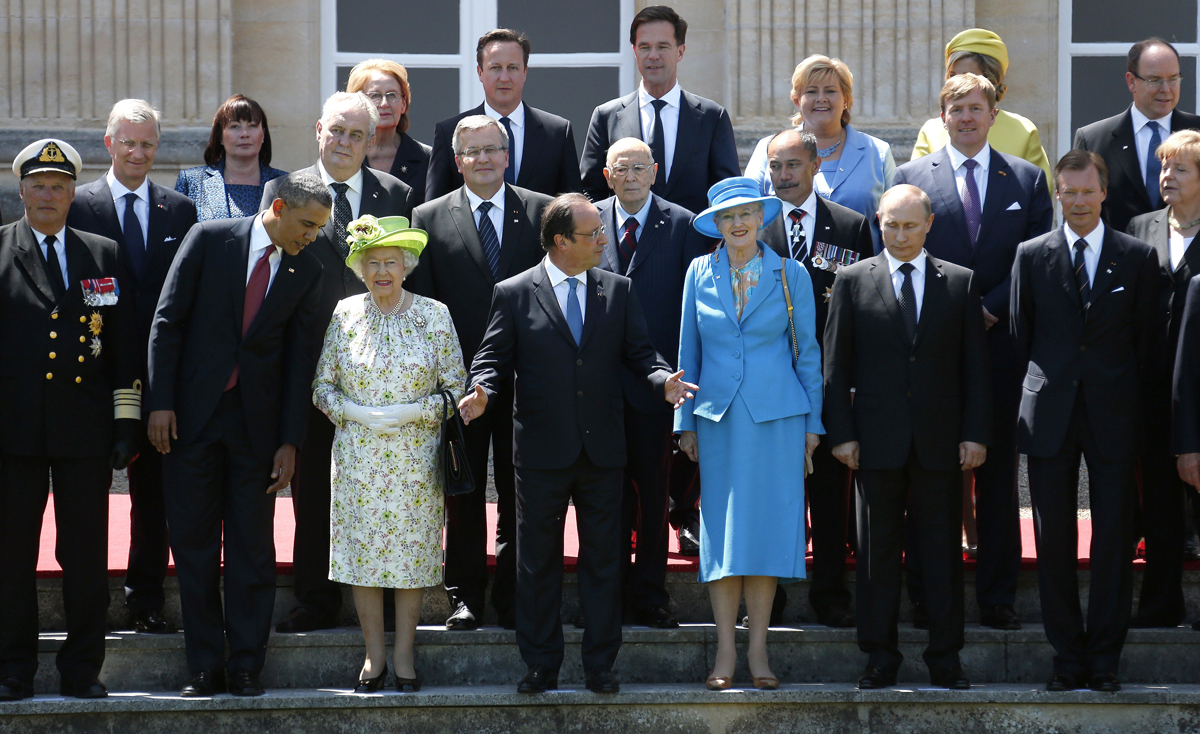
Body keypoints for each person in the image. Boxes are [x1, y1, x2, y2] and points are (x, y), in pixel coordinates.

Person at [458, 193, 695, 695]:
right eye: (593, 234)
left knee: (604, 561)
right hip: (541, 452)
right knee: (536, 563)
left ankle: (600, 665)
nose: (604, 240)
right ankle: (541, 663)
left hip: (603, 451)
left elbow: (642, 355)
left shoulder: (618, 289)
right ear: (561, 241)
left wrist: (662, 382)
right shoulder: (515, 291)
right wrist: (482, 393)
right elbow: (492, 358)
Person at [147, 172, 329, 698]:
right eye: (307, 225)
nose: (312, 236)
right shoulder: (209, 239)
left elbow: (301, 361)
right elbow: (168, 321)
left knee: (253, 548)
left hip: (259, 431)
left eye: (319, 228)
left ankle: (247, 663)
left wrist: (290, 441)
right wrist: (160, 403)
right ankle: (205, 666)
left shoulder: (307, 268)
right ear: (277, 209)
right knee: (195, 544)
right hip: (190, 421)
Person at [893, 73, 1053, 632]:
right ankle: (924, 595)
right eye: (956, 108)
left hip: (1003, 347)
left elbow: (1035, 257)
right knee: (927, 472)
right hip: (932, 349)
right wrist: (959, 308)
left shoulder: (1029, 179)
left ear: (993, 114)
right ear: (942, 116)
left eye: (976, 108)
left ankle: (997, 595)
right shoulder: (911, 177)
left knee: (999, 477)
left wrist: (992, 306)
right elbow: (901, 260)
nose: (966, 117)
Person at [824, 184, 990, 691]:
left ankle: (946, 658)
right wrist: (842, 435)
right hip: (874, 442)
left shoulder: (959, 283)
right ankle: (879, 657)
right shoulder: (852, 280)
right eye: (891, 225)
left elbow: (975, 370)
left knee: (941, 554)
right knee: (875, 556)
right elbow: (835, 366)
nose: (899, 234)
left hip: (942, 442)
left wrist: (975, 434)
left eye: (910, 225)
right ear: (878, 222)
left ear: (929, 225)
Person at [261, 91, 415, 634]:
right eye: (337, 131)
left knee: (388, 486)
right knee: (314, 491)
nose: (346, 143)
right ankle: (316, 599)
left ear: (371, 140)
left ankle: (392, 595)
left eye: (358, 134)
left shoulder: (396, 194)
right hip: (307, 367)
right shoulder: (283, 191)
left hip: (381, 372)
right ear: (318, 130)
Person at [1011, 151, 1159, 693]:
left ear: (1103, 194)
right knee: (1053, 541)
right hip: (1049, 412)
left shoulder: (1138, 257)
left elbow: (1146, 343)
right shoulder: (1031, 255)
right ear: (1058, 196)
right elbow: (1020, 337)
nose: (1076, 201)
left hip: (1114, 413)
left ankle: (1104, 658)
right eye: (1066, 192)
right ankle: (1066, 656)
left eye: (1085, 191)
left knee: (1114, 539)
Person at [0, 139, 141, 702]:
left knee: (84, 555)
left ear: (71, 194)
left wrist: (126, 423)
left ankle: (83, 668)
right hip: (13, 433)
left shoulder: (102, 254)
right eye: (39, 185)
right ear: (22, 190)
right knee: (12, 553)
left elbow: (125, 346)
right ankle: (14, 669)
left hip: (85, 433)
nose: (48, 195)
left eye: (59, 186)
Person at [675, 177, 823, 690]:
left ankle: (758, 649)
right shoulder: (699, 271)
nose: (737, 224)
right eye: (727, 216)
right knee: (722, 536)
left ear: (762, 218)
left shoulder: (792, 274)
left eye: (747, 214)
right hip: (717, 419)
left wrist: (813, 424)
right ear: (716, 224)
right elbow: (686, 354)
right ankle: (724, 651)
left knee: (764, 533)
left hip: (778, 420)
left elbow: (808, 354)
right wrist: (683, 422)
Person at [407, 116, 551, 631]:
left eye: (493, 150)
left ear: (507, 155)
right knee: (462, 495)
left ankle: (513, 596)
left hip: (526, 382)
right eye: (472, 152)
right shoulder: (425, 217)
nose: (484, 159)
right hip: (458, 384)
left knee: (520, 493)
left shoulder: (540, 211)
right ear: (456, 159)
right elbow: (420, 306)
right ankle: (463, 597)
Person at [313, 214, 464, 693]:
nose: (382, 271)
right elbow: (321, 385)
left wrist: (410, 414)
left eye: (391, 262)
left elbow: (455, 389)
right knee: (364, 556)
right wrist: (353, 412)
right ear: (359, 266)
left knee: (410, 556)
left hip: (415, 459)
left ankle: (404, 656)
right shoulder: (345, 313)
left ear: (407, 266)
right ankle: (373, 656)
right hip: (358, 458)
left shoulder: (434, 314)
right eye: (373, 262)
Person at [66, 99, 199, 636]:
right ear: (109, 144)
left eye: (148, 144)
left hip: (159, 376)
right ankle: (87, 602)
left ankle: (145, 597)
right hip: (93, 377)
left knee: (155, 497)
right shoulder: (76, 204)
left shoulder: (179, 210)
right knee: (83, 497)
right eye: (129, 142)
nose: (138, 153)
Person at [759, 129, 873, 628]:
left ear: (815, 164)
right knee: (776, 497)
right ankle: (772, 600)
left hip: (831, 387)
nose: (783, 176)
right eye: (775, 166)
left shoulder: (850, 226)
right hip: (770, 388)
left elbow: (866, 308)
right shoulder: (754, 227)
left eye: (793, 166)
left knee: (830, 498)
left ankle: (830, 596)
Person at [594, 137, 710, 629]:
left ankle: (651, 595)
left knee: (655, 490)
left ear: (655, 171)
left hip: (658, 384)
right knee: (608, 498)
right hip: (598, 385)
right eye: (622, 167)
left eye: (640, 166)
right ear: (607, 175)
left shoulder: (683, 224)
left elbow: (693, 311)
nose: (632, 175)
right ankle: (610, 598)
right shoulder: (586, 219)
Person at [1126, 130, 1200, 628]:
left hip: (1199, 386)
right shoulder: (1140, 227)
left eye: (1181, 170)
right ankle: (1159, 604)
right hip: (1151, 387)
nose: (1167, 177)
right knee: (1158, 500)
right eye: (1164, 168)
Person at [580, 5, 740, 216]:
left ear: (680, 51)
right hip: (627, 245)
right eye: (645, 47)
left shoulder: (712, 117)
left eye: (663, 46)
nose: (653, 55)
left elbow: (727, 195)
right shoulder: (606, 116)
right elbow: (591, 194)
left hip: (692, 245)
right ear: (634, 52)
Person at [426, 29, 581, 202]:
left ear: (525, 73)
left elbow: (573, 206)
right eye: (496, 68)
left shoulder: (557, 132)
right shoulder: (449, 132)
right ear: (480, 72)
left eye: (513, 68)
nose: (504, 78)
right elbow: (435, 209)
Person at [743, 55, 896, 219]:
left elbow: (897, 216)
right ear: (797, 101)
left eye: (830, 91)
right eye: (811, 91)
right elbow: (747, 212)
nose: (821, 98)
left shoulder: (878, 153)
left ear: (846, 99)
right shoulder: (768, 148)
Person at [1073, 38, 1200, 233]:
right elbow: (1081, 212)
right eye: (1154, 80)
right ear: (1131, 81)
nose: (1166, 89)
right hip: (1119, 260)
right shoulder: (1093, 140)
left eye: (1173, 79)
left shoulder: (1197, 133)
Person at [911, 28, 1052, 182]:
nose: (959, 84)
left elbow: (1040, 191)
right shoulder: (931, 131)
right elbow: (915, 188)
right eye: (952, 76)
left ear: (991, 80)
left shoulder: (1023, 131)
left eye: (968, 76)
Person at [174, 94, 288, 222]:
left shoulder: (285, 184)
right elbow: (177, 236)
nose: (245, 134)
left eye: (252, 125)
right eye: (234, 126)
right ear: (220, 137)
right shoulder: (191, 181)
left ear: (263, 135)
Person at [346, 59, 432, 207]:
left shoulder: (429, 159)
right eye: (375, 96)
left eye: (392, 95)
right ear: (357, 104)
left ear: (404, 104)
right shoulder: (344, 155)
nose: (384, 103)